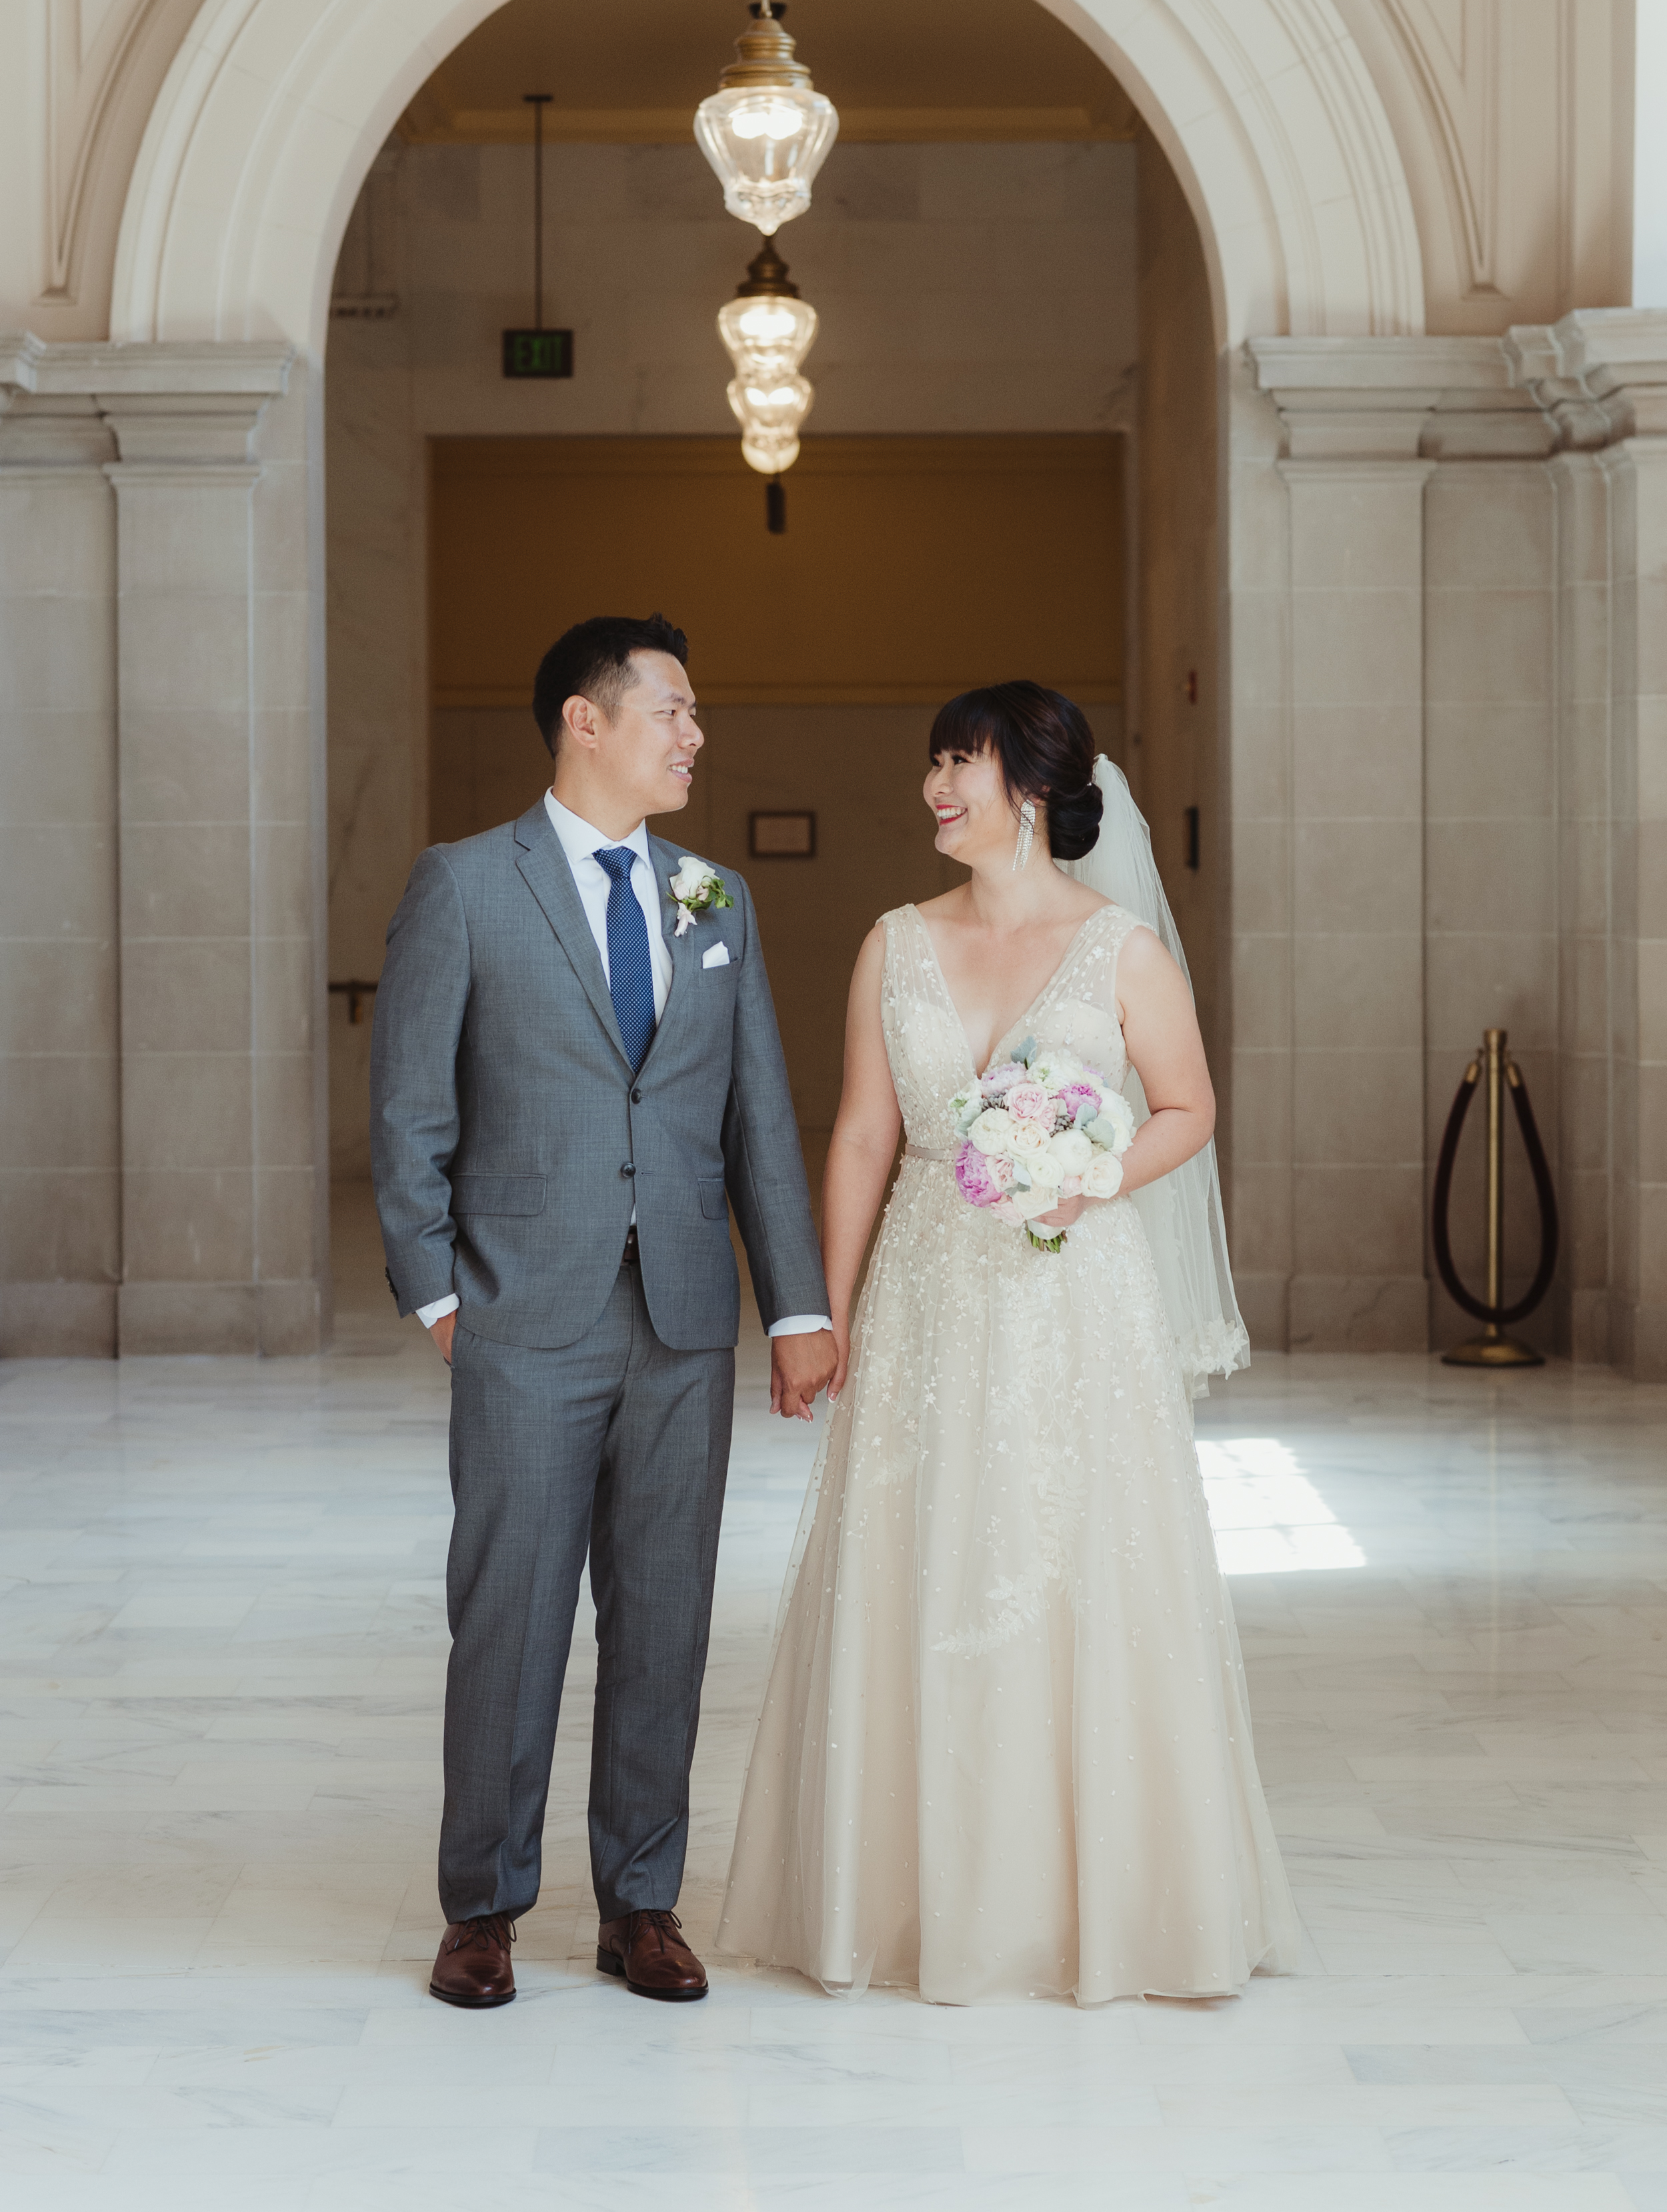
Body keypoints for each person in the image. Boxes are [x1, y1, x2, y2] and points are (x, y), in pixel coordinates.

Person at [717, 681, 1298, 2005]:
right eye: (933, 761)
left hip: (1071, 1299)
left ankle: (1091, 1903)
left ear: (1028, 786)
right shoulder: (891, 941)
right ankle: (910, 1894)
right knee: (921, 1560)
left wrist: (1088, 1174)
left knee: (1065, 1558)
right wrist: (824, 1310)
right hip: (926, 1288)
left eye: (957, 762)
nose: (934, 786)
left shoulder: (1119, 950)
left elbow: (1186, 1104)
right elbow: (864, 1133)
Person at [371, 613, 836, 2009]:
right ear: (586, 720)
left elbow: (756, 1112)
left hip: (685, 1314)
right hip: (523, 1312)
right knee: (506, 1611)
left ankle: (642, 1900)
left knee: (668, 1615)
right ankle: (483, 1907)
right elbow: (410, 1110)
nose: (695, 736)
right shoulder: (463, 885)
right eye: (673, 712)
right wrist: (442, 1295)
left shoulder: (715, 899)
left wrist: (797, 1303)